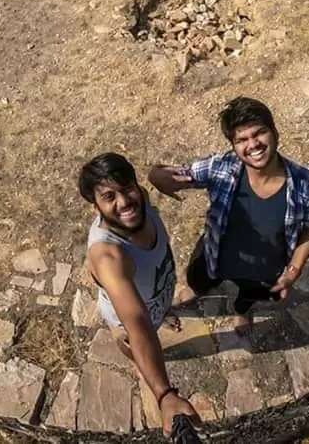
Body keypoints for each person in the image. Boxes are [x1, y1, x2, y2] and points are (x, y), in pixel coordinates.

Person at [149, 97, 309, 333]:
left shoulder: (307, 186)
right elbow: (175, 174)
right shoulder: (220, 168)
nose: (253, 145)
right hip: (213, 254)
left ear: (275, 132)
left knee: (249, 296)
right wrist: (155, 175)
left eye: (259, 133)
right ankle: (197, 290)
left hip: (264, 270)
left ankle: (242, 311)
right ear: (233, 146)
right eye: (242, 139)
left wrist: (293, 271)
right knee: (198, 279)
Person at [80, 153, 199, 434]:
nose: (124, 202)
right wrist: (164, 394)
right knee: (130, 343)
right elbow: (137, 323)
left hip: (157, 297)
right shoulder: (109, 256)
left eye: (126, 188)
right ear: (95, 207)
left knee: (156, 316)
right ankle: (139, 363)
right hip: (130, 321)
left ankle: (162, 315)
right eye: (109, 197)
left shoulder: (141, 198)